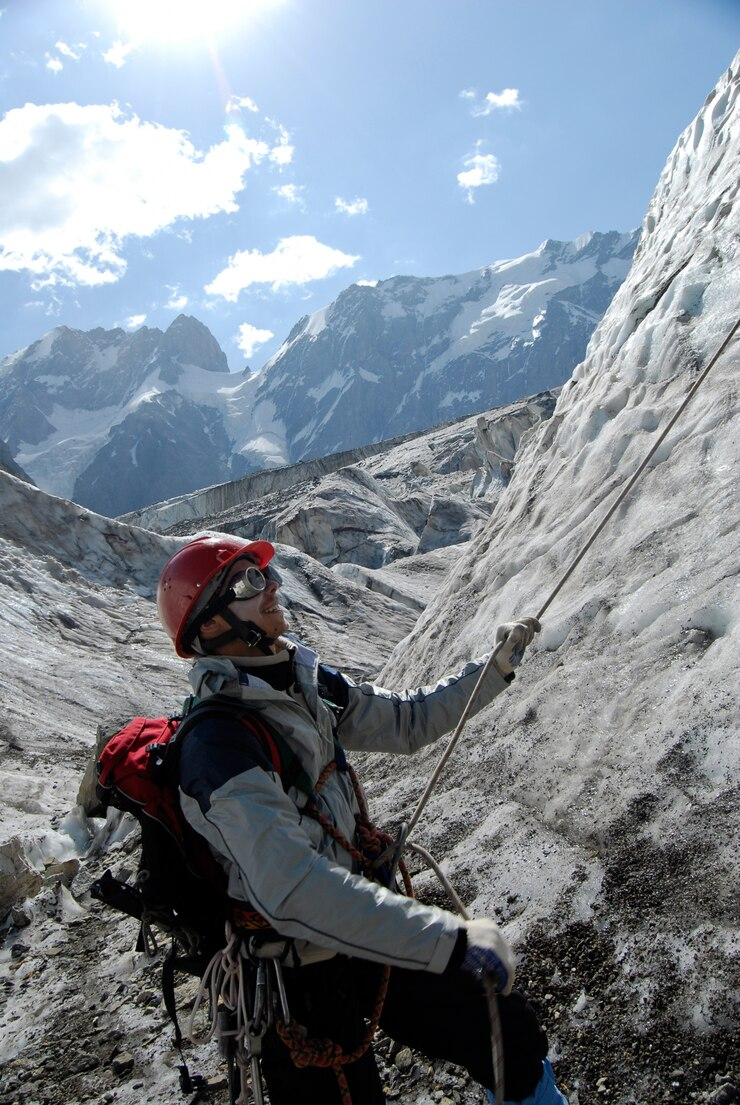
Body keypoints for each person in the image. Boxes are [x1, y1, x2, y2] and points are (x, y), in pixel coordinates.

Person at [156, 534, 567, 1105]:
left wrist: (492, 669)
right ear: (209, 625)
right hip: (296, 978)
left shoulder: (303, 684)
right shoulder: (218, 747)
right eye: (249, 582)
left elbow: (406, 720)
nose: (272, 586)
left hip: (363, 922)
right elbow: (295, 891)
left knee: (504, 1032)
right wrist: (446, 940)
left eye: (266, 575)